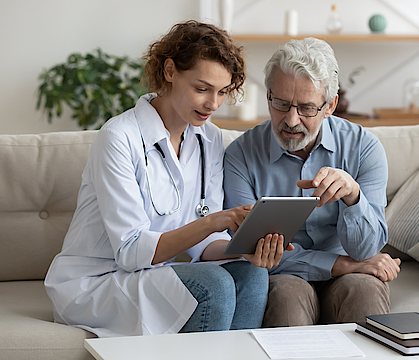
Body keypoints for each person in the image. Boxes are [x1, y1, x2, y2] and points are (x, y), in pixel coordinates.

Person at [44, 20, 287, 338]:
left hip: (154, 275)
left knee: (251, 275)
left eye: (222, 92)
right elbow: (131, 252)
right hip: (98, 281)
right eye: (201, 89)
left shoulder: (209, 138)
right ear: (170, 71)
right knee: (212, 284)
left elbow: (203, 244)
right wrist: (217, 220)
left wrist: (245, 248)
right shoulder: (119, 137)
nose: (212, 104)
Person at [223, 37, 401, 327]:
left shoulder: (364, 147)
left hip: (352, 276)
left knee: (365, 289)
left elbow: (366, 250)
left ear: (330, 105)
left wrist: (353, 196)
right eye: (281, 104)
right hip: (284, 276)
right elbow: (248, 251)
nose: (291, 120)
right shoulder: (240, 155)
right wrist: (338, 265)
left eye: (306, 108)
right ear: (268, 96)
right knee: (286, 296)